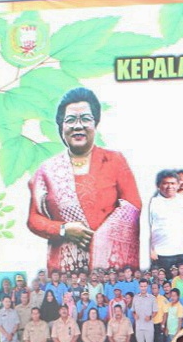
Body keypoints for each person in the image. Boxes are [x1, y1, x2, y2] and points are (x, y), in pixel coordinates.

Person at [27, 87, 142, 274]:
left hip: (109, 271)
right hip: (63, 271)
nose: (78, 126)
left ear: (95, 124)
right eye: (70, 120)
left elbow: (132, 207)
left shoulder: (114, 161)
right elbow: (34, 219)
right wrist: (64, 229)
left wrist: (101, 241)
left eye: (85, 119)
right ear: (61, 127)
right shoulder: (47, 170)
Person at [150, 170, 183, 272]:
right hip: (163, 253)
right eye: (165, 183)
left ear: (178, 185)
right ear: (158, 185)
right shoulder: (152, 203)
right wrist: (151, 250)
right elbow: (147, 229)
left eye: (173, 183)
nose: (170, 187)